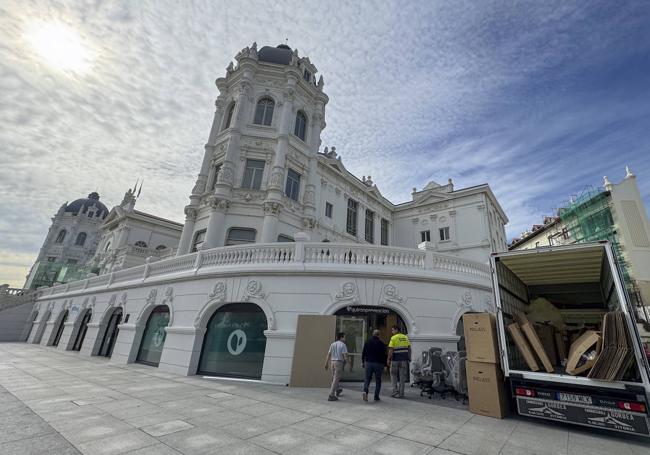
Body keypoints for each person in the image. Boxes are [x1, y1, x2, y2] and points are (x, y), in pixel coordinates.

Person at [361, 329, 387, 402]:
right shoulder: (381, 344)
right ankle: (376, 396)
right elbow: (384, 355)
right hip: (379, 364)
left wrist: (362, 362)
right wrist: (385, 365)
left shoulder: (367, 342)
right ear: (379, 335)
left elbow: (363, 352)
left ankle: (365, 391)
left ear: (373, 334)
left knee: (367, 379)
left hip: (368, 363)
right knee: (378, 380)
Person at [387, 325, 411, 398]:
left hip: (395, 360)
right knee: (402, 377)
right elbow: (409, 348)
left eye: (393, 330)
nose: (392, 332)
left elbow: (391, 350)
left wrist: (388, 359)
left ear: (396, 330)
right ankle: (401, 394)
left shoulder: (393, 338)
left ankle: (395, 392)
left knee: (393, 375)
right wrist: (409, 357)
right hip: (404, 360)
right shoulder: (405, 337)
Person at [324, 332, 349, 401]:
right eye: (344, 337)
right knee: (336, 378)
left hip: (332, 362)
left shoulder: (332, 344)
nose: (345, 338)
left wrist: (326, 363)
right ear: (341, 337)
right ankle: (331, 395)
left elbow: (329, 354)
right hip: (339, 362)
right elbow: (345, 355)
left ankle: (337, 389)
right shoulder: (343, 345)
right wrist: (348, 363)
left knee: (334, 377)